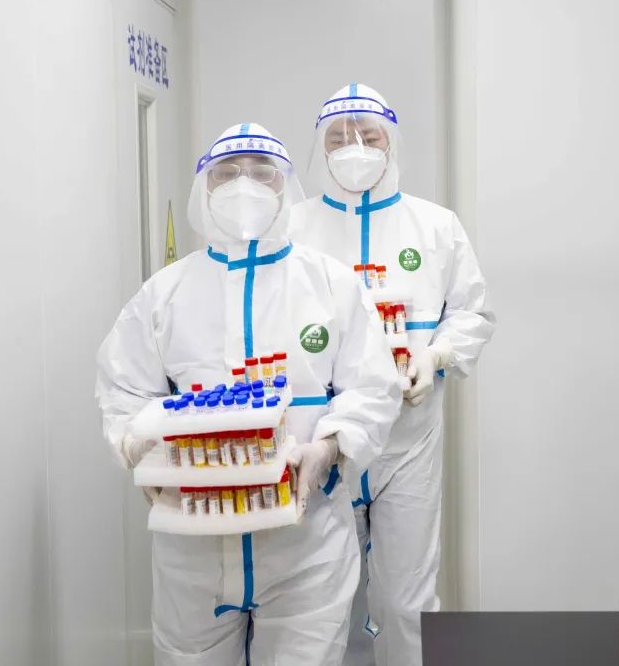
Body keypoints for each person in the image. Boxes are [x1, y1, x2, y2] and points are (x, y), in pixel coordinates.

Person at [96, 122, 402, 665]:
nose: (245, 185)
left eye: (263, 174)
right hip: (193, 546)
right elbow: (123, 387)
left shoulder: (330, 284)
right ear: (204, 188)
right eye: (227, 173)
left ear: (286, 187)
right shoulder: (164, 294)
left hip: (306, 543)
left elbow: (373, 388)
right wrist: (138, 446)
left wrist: (329, 448)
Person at [289, 85, 496, 665]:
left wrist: (437, 356)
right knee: (318, 603)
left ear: (392, 142)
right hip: (324, 442)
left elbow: (472, 313)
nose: (354, 147)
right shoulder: (294, 229)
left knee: (407, 601)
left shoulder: (434, 226)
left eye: (369, 136)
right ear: (320, 148)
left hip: (408, 442)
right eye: (338, 138)